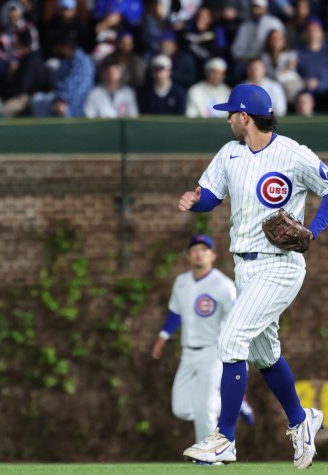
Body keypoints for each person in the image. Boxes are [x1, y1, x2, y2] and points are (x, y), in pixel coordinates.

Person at [179, 83, 326, 467]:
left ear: (245, 116)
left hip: (280, 265)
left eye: (231, 112)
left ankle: (224, 439)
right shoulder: (230, 154)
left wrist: (313, 229)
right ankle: (302, 419)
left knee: (231, 339)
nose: (227, 118)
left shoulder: (292, 153)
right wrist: (196, 201)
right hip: (244, 265)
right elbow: (211, 194)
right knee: (266, 355)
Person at [151, 234, 254, 444]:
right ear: (188, 256)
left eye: (204, 250)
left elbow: (238, 317)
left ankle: (208, 456)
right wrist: (162, 338)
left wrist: (238, 348)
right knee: (181, 408)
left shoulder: (224, 285)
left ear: (213, 256)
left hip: (214, 351)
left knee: (204, 408)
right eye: (194, 250)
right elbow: (175, 313)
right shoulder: (181, 282)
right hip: (188, 351)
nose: (199, 253)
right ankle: (233, 403)